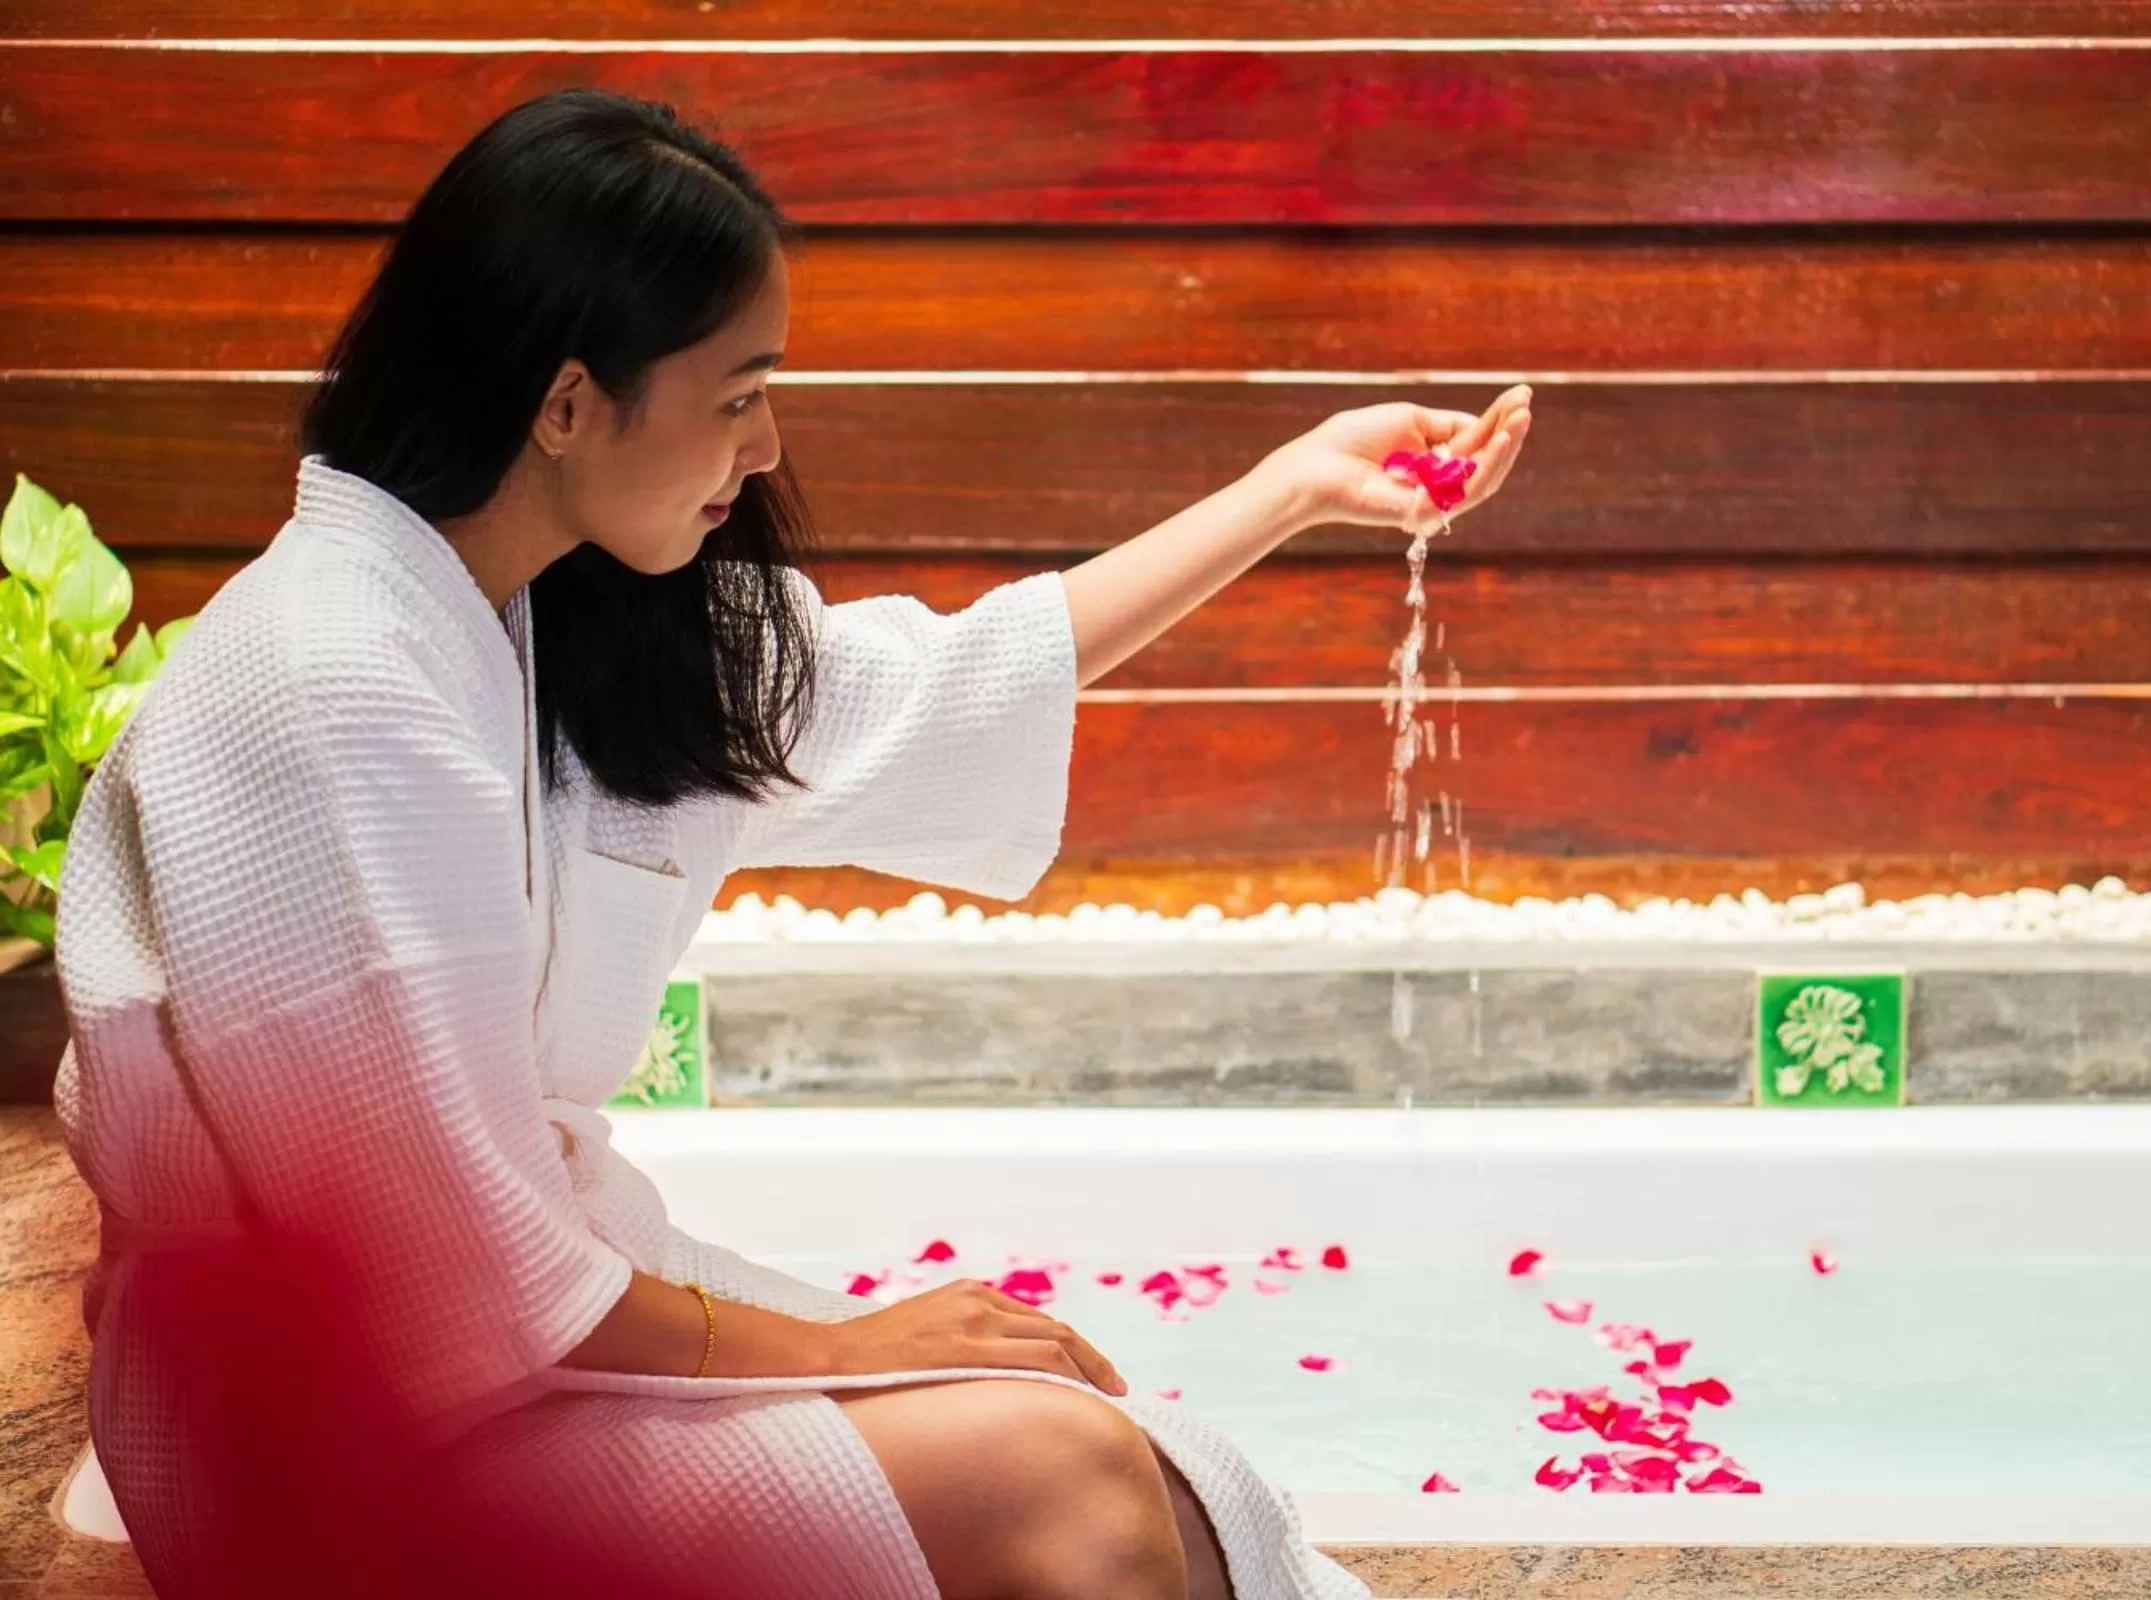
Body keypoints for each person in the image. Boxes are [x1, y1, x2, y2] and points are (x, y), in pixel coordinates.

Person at [50, 87, 1531, 1600]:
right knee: (1068, 1485)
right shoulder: (327, 684)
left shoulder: (555, 613)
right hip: (350, 1436)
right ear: (566, 404)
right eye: (738, 390)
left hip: (536, 1330)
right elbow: (428, 1283)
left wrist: (1293, 486)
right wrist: (842, 1345)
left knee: (1140, 1467)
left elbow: (958, 679)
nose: (766, 445)